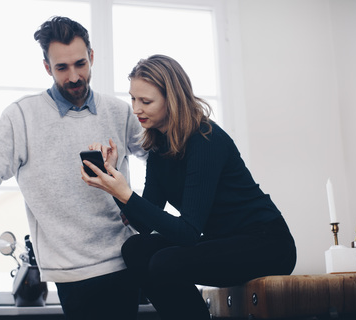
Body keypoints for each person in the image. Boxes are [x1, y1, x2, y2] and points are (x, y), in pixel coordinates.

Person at [0, 16, 146, 320]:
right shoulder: (22, 117)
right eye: (62, 68)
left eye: (80, 64)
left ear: (92, 57)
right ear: (47, 67)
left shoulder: (120, 112)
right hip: (70, 274)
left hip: (125, 261)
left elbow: (161, 158)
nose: (74, 76)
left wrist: (144, 208)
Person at [81, 54, 297, 320]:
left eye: (146, 101)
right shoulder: (160, 147)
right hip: (223, 240)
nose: (136, 109)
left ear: (171, 100)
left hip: (266, 243)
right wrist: (112, 180)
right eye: (133, 98)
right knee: (136, 248)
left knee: (166, 262)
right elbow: (145, 224)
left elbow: (187, 233)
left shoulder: (205, 139)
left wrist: (125, 193)